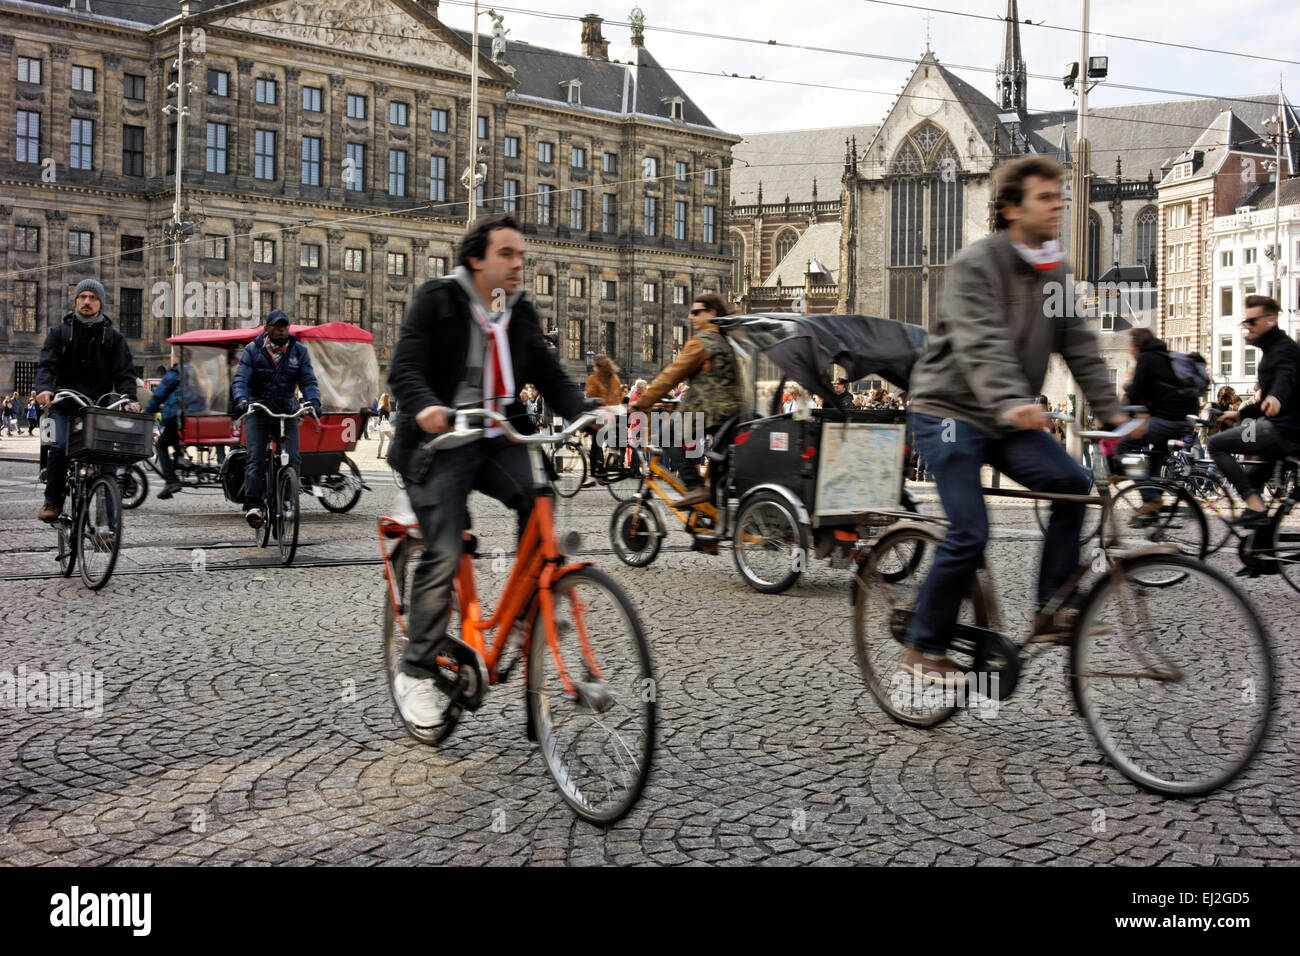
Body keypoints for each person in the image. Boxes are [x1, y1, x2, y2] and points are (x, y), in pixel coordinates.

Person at [903, 155, 1128, 686]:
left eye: (1060, 196)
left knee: (1074, 483)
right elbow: (980, 342)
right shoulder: (975, 265)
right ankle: (923, 646)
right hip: (948, 412)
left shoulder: (1054, 269)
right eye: (1046, 197)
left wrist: (1113, 410)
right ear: (1010, 208)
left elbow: (1079, 345)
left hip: (1004, 417)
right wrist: (1011, 400)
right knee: (970, 531)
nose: (1059, 205)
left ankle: (1052, 603)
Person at [386, 213, 591, 732]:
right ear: (476, 259)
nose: (518, 263)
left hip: (497, 435)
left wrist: (588, 412)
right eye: (507, 254)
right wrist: (427, 405)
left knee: (540, 497)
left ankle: (527, 616)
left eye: (521, 254)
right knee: (448, 544)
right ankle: (416, 669)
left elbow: (547, 373)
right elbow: (405, 368)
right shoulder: (438, 300)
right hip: (440, 441)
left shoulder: (518, 311)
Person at [34, 278, 139, 522]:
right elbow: (46, 366)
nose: (87, 302)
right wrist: (45, 389)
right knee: (59, 448)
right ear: (75, 301)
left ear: (100, 302)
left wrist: (129, 398)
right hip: (65, 405)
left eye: (92, 297)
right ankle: (53, 501)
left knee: (108, 464)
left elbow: (125, 373)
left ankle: (108, 526)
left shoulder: (113, 338)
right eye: (82, 297)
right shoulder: (60, 333)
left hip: (99, 409)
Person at [631, 292, 741, 508]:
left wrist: (642, 402)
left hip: (710, 412)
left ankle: (693, 486)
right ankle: (708, 532)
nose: (691, 317)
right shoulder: (726, 341)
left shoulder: (702, 342)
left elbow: (672, 375)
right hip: (733, 415)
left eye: (696, 312)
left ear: (712, 313)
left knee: (665, 436)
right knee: (716, 483)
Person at [1207, 295, 1300, 527]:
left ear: (1270, 320)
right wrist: (1241, 415)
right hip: (1283, 429)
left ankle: (1256, 508)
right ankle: (1261, 554)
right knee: (1250, 482)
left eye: (1252, 321)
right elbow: (1266, 400)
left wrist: (1275, 397)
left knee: (1216, 444)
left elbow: (1285, 377)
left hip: (1284, 430)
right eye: (1245, 322)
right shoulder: (1271, 350)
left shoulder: (1284, 349)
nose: (1247, 327)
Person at [232, 309, 321, 528]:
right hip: (258, 410)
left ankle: (288, 501)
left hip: (287, 410)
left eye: (284, 326)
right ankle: (254, 506)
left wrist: (313, 401)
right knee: (255, 457)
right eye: (277, 326)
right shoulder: (253, 351)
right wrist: (242, 399)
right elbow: (241, 379)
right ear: (267, 328)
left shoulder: (298, 351)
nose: (281, 330)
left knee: (293, 458)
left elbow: (308, 381)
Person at [1113, 327, 1202, 513]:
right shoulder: (1165, 356)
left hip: (1169, 418)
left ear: (1134, 346)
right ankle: (1154, 507)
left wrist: (1112, 420)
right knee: (1156, 456)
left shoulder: (1147, 358)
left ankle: (1150, 498)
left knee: (1122, 445)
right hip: (1187, 418)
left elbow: (1135, 394)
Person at [144, 356, 184, 499]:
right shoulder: (197, 372)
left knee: (161, 445)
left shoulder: (174, 374)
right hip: (196, 418)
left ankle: (171, 480)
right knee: (176, 441)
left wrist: (147, 412)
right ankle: (180, 458)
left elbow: (158, 395)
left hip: (176, 417)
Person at [583, 354, 622, 487]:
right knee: (600, 440)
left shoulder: (593, 379)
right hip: (615, 414)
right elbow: (619, 397)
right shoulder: (615, 378)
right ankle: (611, 454)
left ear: (598, 367)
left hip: (600, 414)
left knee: (594, 441)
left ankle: (593, 476)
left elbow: (591, 398)